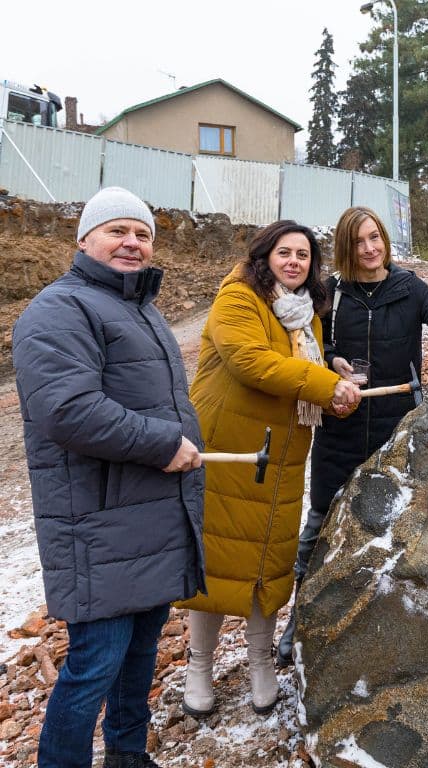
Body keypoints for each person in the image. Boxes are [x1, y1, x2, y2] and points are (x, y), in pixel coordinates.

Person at [13, 187, 205, 768]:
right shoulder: (59, 309)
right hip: (97, 522)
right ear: (84, 240)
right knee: (94, 665)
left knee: (139, 656)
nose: (132, 243)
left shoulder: (138, 308)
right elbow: (67, 410)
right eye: (118, 231)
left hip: (144, 517)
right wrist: (163, 443)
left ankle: (128, 755)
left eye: (143, 234)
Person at [275, 205, 428, 664]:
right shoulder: (331, 293)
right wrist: (334, 360)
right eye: (359, 241)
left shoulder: (406, 287)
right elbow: (318, 342)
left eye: (375, 237)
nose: (370, 248)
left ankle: (384, 626)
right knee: (318, 528)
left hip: (396, 430)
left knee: (393, 530)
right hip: (339, 430)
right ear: (345, 247)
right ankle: (300, 625)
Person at [176, 220, 362, 717]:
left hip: (281, 456)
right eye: (286, 252)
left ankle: (260, 661)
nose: (295, 261)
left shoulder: (307, 314)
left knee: (268, 559)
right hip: (230, 448)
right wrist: (323, 385)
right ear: (265, 255)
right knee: (218, 557)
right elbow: (252, 362)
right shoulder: (238, 298)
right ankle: (199, 666)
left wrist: (332, 373)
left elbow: (302, 367)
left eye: (304, 255)